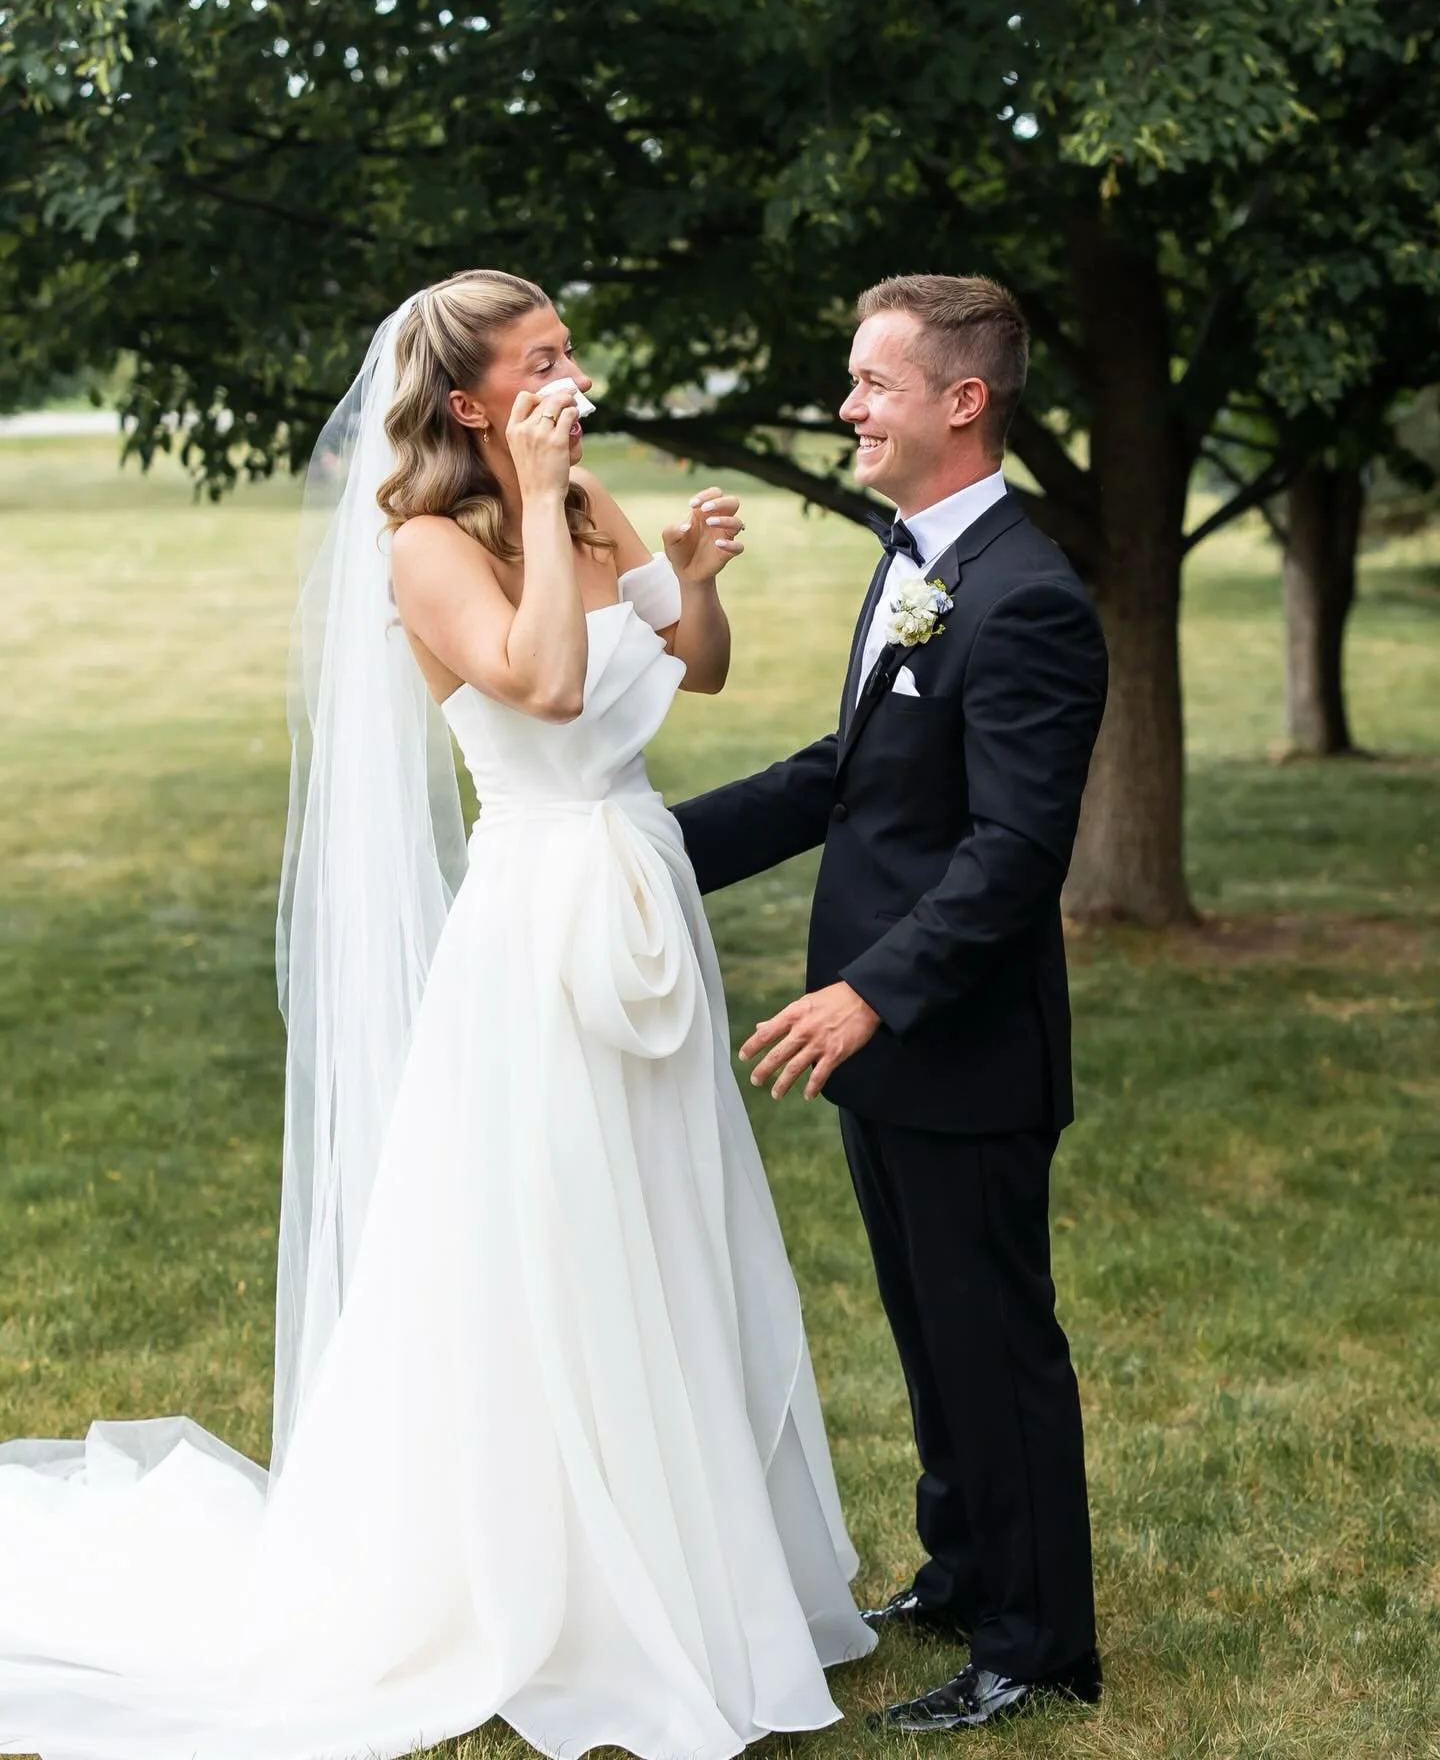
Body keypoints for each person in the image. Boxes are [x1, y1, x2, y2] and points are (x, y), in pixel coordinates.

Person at [0, 268, 875, 1760]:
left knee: (666, 1224)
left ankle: (699, 1569)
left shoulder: (592, 501)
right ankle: (549, 1587)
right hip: (534, 918)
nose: (571, 378)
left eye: (571, 350)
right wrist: (540, 498)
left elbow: (697, 670)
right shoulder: (424, 546)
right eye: (540, 361)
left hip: (637, 880)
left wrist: (693, 571)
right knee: (553, 1231)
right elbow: (538, 685)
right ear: (469, 400)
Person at [673, 273, 1109, 1733]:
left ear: (961, 401)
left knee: (994, 1340)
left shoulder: (1030, 599)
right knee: (929, 1326)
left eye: (872, 383)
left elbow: (1010, 858)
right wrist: (643, 847)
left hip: (959, 1042)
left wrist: (872, 993)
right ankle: (965, 1561)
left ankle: (1038, 1644)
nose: (848, 407)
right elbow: (850, 770)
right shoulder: (917, 557)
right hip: (884, 1045)